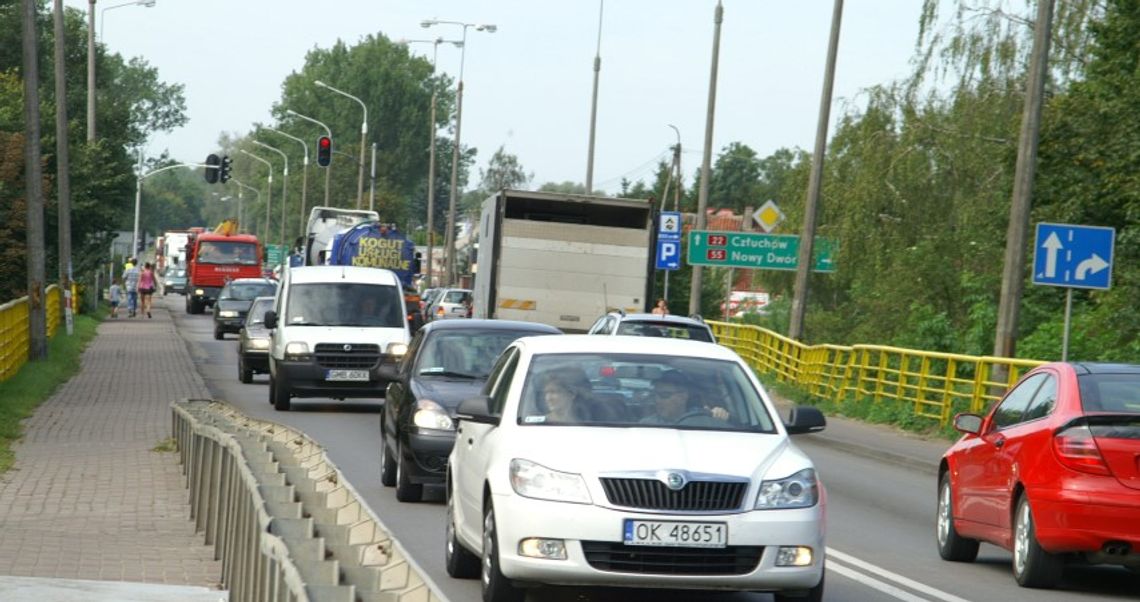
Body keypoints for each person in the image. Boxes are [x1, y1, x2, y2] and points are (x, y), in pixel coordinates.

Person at [641, 370, 729, 425]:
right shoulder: (645, 425)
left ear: (683, 397)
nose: (657, 400)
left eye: (664, 395)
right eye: (654, 395)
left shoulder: (703, 420)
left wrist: (719, 417)